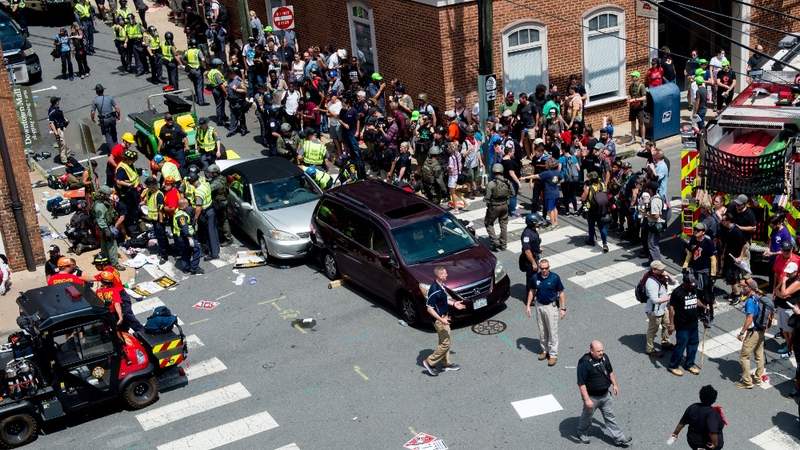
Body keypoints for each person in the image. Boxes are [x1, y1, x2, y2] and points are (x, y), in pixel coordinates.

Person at [576, 340, 633, 447]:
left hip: (605, 394)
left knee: (610, 416)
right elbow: (581, 383)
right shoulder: (584, 363)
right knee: (587, 417)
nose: (601, 353)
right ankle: (582, 432)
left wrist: (614, 384)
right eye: (598, 351)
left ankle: (619, 438)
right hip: (592, 397)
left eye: (602, 350)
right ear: (591, 351)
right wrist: (587, 399)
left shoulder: (605, 358)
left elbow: (610, 371)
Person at [422, 267, 465, 376]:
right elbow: (429, 308)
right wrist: (441, 320)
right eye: (445, 273)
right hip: (440, 320)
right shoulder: (434, 289)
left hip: (444, 317)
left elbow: (443, 299)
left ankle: (446, 364)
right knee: (446, 343)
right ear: (440, 276)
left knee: (444, 341)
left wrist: (454, 304)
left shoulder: (441, 286)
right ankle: (429, 362)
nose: (447, 275)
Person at [525, 259, 565, 366]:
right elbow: (532, 291)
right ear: (539, 268)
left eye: (546, 268)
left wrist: (563, 309)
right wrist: (528, 306)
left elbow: (561, 293)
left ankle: (553, 355)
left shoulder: (555, 278)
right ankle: (545, 351)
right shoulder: (535, 278)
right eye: (542, 268)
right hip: (539, 306)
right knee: (542, 330)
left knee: (552, 331)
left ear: (549, 267)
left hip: (551, 307)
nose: (544, 270)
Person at [667, 274, 704, 376]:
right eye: (691, 284)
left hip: (693, 323)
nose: (693, 286)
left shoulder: (694, 289)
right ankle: (673, 365)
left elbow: (696, 300)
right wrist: (671, 324)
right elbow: (671, 309)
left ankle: (689, 364)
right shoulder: (677, 292)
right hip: (682, 324)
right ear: (685, 283)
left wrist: (703, 307)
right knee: (681, 345)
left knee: (694, 344)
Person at [735, 279, 768, 389]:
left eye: (744, 286)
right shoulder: (760, 297)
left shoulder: (750, 301)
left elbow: (749, 318)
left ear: (749, 288)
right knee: (759, 355)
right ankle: (758, 379)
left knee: (744, 357)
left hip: (752, 332)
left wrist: (742, 332)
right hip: (761, 330)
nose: (742, 288)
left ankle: (747, 382)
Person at [670, 385, 726, 449]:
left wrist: (675, 433)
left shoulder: (692, 407)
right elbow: (712, 432)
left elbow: (682, 422)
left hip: (692, 441)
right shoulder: (712, 413)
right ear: (714, 399)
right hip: (706, 444)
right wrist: (715, 443)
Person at [683, 222, 718, 323]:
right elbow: (690, 253)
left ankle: (709, 314)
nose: (696, 232)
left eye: (698, 230)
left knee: (707, 294)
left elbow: (713, 259)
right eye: (695, 230)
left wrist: (713, 275)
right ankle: (698, 312)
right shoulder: (693, 240)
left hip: (705, 273)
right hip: (695, 271)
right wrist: (685, 266)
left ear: (703, 232)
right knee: (695, 293)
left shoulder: (708, 243)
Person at [643, 260, 676, 358]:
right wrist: (669, 298)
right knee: (653, 330)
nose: (663, 270)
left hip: (663, 308)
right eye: (661, 269)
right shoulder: (651, 283)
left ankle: (665, 342)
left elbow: (673, 282)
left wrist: (668, 275)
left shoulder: (661, 277)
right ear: (654, 270)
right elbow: (654, 300)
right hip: (654, 311)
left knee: (666, 324)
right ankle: (650, 349)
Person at [92, 186, 126, 271]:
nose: (109, 196)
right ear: (103, 195)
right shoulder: (100, 206)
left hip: (107, 226)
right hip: (105, 227)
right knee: (112, 245)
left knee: (104, 243)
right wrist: (106, 230)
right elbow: (101, 220)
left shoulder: (103, 203)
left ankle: (105, 259)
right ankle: (115, 264)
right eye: (107, 195)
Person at [188, 173, 219, 261]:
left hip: (206, 213)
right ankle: (216, 250)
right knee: (214, 231)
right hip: (211, 210)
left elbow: (198, 207)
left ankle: (213, 254)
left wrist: (196, 218)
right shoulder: (205, 184)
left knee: (209, 234)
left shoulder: (198, 191)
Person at [139, 177, 169, 265]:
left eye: (151, 187)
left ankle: (164, 255)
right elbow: (147, 201)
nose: (150, 189)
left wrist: (161, 220)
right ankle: (167, 250)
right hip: (153, 218)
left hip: (158, 219)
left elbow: (160, 209)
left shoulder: (159, 195)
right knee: (160, 236)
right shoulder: (148, 192)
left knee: (161, 237)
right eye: (149, 187)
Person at [720, 212, 748, 305]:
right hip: (728, 255)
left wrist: (740, 257)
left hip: (734, 257)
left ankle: (737, 294)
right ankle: (733, 292)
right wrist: (724, 253)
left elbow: (744, 245)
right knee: (728, 275)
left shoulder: (736, 231)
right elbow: (727, 243)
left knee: (731, 275)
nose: (722, 221)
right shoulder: (727, 229)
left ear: (728, 221)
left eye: (723, 220)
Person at [483, 164, 512, 252]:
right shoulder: (507, 182)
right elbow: (512, 193)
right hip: (505, 206)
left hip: (494, 207)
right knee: (503, 224)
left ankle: (495, 241)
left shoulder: (491, 184)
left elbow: (486, 198)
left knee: (488, 223)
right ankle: (503, 244)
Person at [776, 261, 800, 364]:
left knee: (790, 331)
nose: (788, 274)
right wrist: (782, 295)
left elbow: (784, 292)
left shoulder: (797, 282)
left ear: (796, 272)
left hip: (789, 309)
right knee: (783, 329)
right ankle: (787, 345)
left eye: (790, 273)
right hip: (782, 307)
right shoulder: (786, 278)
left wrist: (784, 283)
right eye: (787, 272)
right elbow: (776, 290)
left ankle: (792, 350)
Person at [174, 198, 204, 275]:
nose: (188, 205)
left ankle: (186, 268)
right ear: (183, 205)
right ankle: (194, 267)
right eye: (187, 204)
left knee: (186, 252)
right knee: (197, 249)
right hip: (185, 237)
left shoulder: (177, 212)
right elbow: (184, 228)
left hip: (180, 237)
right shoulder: (182, 216)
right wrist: (189, 238)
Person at [581, 172, 610, 252]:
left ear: (590, 179)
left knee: (591, 225)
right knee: (602, 227)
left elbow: (583, 198)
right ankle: (605, 244)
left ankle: (591, 240)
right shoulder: (602, 184)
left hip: (592, 210)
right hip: (602, 209)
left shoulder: (588, 188)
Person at [90, 84, 121, 151]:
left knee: (108, 134)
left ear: (96, 92)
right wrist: (118, 116)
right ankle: (116, 146)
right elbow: (117, 108)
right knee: (114, 131)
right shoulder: (109, 98)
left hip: (104, 120)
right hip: (112, 118)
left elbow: (92, 112)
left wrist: (92, 119)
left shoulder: (95, 100)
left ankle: (112, 151)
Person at [642, 181, 665, 263]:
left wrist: (646, 214)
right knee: (651, 244)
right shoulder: (657, 196)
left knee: (653, 245)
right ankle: (651, 262)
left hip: (655, 225)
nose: (647, 191)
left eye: (647, 189)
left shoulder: (654, 200)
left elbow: (656, 216)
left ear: (651, 190)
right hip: (653, 224)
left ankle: (657, 265)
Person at [225, 68, 248, 137]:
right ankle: (232, 130)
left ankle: (243, 130)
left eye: (229, 75)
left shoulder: (239, 81)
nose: (228, 76)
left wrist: (236, 89)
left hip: (238, 102)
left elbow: (245, 90)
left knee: (241, 117)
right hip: (232, 102)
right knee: (233, 117)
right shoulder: (230, 80)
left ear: (232, 74)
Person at [48, 97, 71, 164]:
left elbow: (61, 116)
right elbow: (51, 123)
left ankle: (68, 156)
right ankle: (64, 160)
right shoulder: (52, 111)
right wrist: (56, 133)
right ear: (56, 102)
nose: (59, 101)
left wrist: (65, 120)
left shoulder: (57, 108)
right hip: (59, 129)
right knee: (62, 144)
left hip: (63, 126)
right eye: (58, 101)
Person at [626, 71, 647, 147]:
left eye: (633, 76)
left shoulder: (641, 86)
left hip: (640, 108)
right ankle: (632, 137)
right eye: (631, 76)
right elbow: (630, 95)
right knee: (632, 123)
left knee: (641, 124)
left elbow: (644, 97)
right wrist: (629, 98)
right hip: (633, 107)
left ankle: (643, 139)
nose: (631, 77)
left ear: (637, 77)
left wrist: (635, 100)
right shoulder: (631, 86)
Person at [186, 38, 208, 106]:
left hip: (191, 70)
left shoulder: (187, 51)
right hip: (197, 70)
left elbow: (183, 59)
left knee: (195, 85)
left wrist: (188, 64)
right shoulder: (197, 51)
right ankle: (201, 101)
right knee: (199, 86)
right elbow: (203, 59)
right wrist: (203, 66)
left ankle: (197, 99)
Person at [206, 58, 229, 126]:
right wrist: (226, 93)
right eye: (220, 65)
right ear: (217, 65)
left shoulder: (211, 71)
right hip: (218, 90)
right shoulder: (216, 73)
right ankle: (220, 121)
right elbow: (221, 84)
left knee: (220, 104)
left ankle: (223, 116)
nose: (221, 66)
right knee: (219, 106)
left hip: (214, 89)